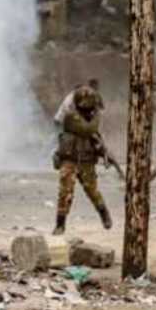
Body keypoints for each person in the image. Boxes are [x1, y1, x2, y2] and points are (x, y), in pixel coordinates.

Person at [52, 86, 112, 235]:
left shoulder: (90, 118)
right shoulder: (71, 116)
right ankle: (60, 225)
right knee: (65, 193)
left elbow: (94, 135)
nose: (89, 110)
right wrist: (97, 115)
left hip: (86, 161)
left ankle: (104, 214)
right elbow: (87, 130)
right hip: (70, 160)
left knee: (92, 191)